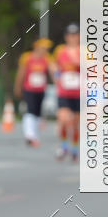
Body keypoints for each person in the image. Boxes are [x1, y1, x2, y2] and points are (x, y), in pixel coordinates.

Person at [13, 38, 52, 146]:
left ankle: (34, 135)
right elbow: (21, 73)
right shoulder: (27, 57)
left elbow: (52, 71)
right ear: (36, 47)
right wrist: (17, 87)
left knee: (38, 112)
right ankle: (29, 135)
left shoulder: (47, 58)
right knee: (31, 110)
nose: (45, 50)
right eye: (43, 48)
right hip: (29, 89)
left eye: (46, 48)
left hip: (41, 89)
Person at [52, 24, 81, 160]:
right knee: (63, 119)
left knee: (75, 123)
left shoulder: (84, 51)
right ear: (66, 37)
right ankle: (64, 145)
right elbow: (54, 66)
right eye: (70, 35)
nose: (73, 37)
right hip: (63, 92)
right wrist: (56, 78)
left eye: (75, 34)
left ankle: (74, 147)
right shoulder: (60, 50)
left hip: (78, 93)